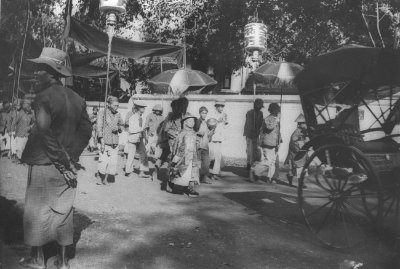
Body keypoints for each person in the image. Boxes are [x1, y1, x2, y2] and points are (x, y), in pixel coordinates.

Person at [20, 47, 92, 269]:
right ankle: (62, 261)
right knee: (63, 209)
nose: (35, 74)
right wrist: (71, 157)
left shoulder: (43, 98)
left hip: (45, 162)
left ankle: (37, 259)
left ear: (51, 72)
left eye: (39, 70)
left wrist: (62, 159)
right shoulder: (78, 98)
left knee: (37, 209)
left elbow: (44, 132)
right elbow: (87, 130)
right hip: (66, 165)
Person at [169, 112, 200, 197]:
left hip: (192, 156)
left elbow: (195, 145)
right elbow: (179, 146)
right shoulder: (182, 133)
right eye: (190, 121)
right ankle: (178, 187)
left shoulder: (193, 133)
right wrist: (177, 156)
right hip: (184, 157)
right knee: (183, 172)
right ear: (185, 122)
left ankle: (189, 188)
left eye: (193, 121)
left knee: (191, 172)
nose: (192, 123)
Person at [251, 103, 282, 183]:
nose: (277, 111)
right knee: (268, 161)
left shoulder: (275, 118)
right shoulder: (268, 118)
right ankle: (255, 169)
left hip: (274, 143)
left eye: (277, 109)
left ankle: (270, 178)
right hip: (267, 142)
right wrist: (277, 120)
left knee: (273, 162)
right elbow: (269, 127)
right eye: (276, 109)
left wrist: (280, 140)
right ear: (272, 110)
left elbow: (277, 132)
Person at [97, 95, 124, 184]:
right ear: (108, 104)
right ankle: (101, 177)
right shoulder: (102, 113)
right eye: (114, 105)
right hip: (104, 141)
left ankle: (105, 178)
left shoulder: (118, 114)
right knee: (103, 161)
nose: (116, 108)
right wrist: (101, 142)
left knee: (112, 162)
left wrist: (118, 128)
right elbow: (99, 127)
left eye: (117, 106)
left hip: (114, 141)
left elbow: (122, 125)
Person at [125, 100, 150, 178]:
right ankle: (128, 171)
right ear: (138, 108)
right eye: (142, 108)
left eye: (144, 108)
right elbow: (131, 130)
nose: (144, 109)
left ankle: (142, 171)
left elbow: (142, 129)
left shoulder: (141, 117)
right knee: (131, 155)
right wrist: (141, 129)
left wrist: (145, 137)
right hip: (132, 139)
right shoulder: (133, 117)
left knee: (144, 154)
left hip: (139, 139)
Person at [285, 113, 309, 186]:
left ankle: (301, 182)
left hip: (302, 152)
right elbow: (293, 141)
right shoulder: (296, 132)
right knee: (296, 167)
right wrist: (300, 147)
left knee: (301, 167)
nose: (306, 125)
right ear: (300, 124)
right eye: (304, 124)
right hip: (295, 152)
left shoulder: (305, 132)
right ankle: (298, 182)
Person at [208, 98, 228, 180]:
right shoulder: (212, 114)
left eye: (222, 106)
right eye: (220, 106)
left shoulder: (223, 114)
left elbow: (224, 126)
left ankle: (215, 172)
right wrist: (218, 121)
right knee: (213, 156)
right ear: (216, 106)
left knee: (218, 156)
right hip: (213, 138)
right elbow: (210, 125)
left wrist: (224, 121)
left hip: (219, 137)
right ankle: (212, 174)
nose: (221, 108)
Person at [194, 106, 214, 184]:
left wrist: (212, 130)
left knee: (206, 163)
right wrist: (200, 133)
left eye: (205, 113)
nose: (204, 115)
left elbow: (209, 135)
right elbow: (195, 131)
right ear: (200, 113)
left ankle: (204, 178)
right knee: (196, 162)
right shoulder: (197, 121)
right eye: (203, 113)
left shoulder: (207, 123)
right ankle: (195, 179)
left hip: (205, 145)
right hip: (198, 145)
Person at [243, 98, 264, 171]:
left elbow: (261, 124)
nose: (260, 108)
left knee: (257, 151)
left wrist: (259, 131)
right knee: (249, 151)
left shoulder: (261, 113)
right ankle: (249, 165)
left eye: (261, 106)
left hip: (256, 135)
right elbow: (248, 124)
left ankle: (254, 165)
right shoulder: (250, 113)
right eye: (259, 106)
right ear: (255, 105)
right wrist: (252, 130)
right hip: (249, 135)